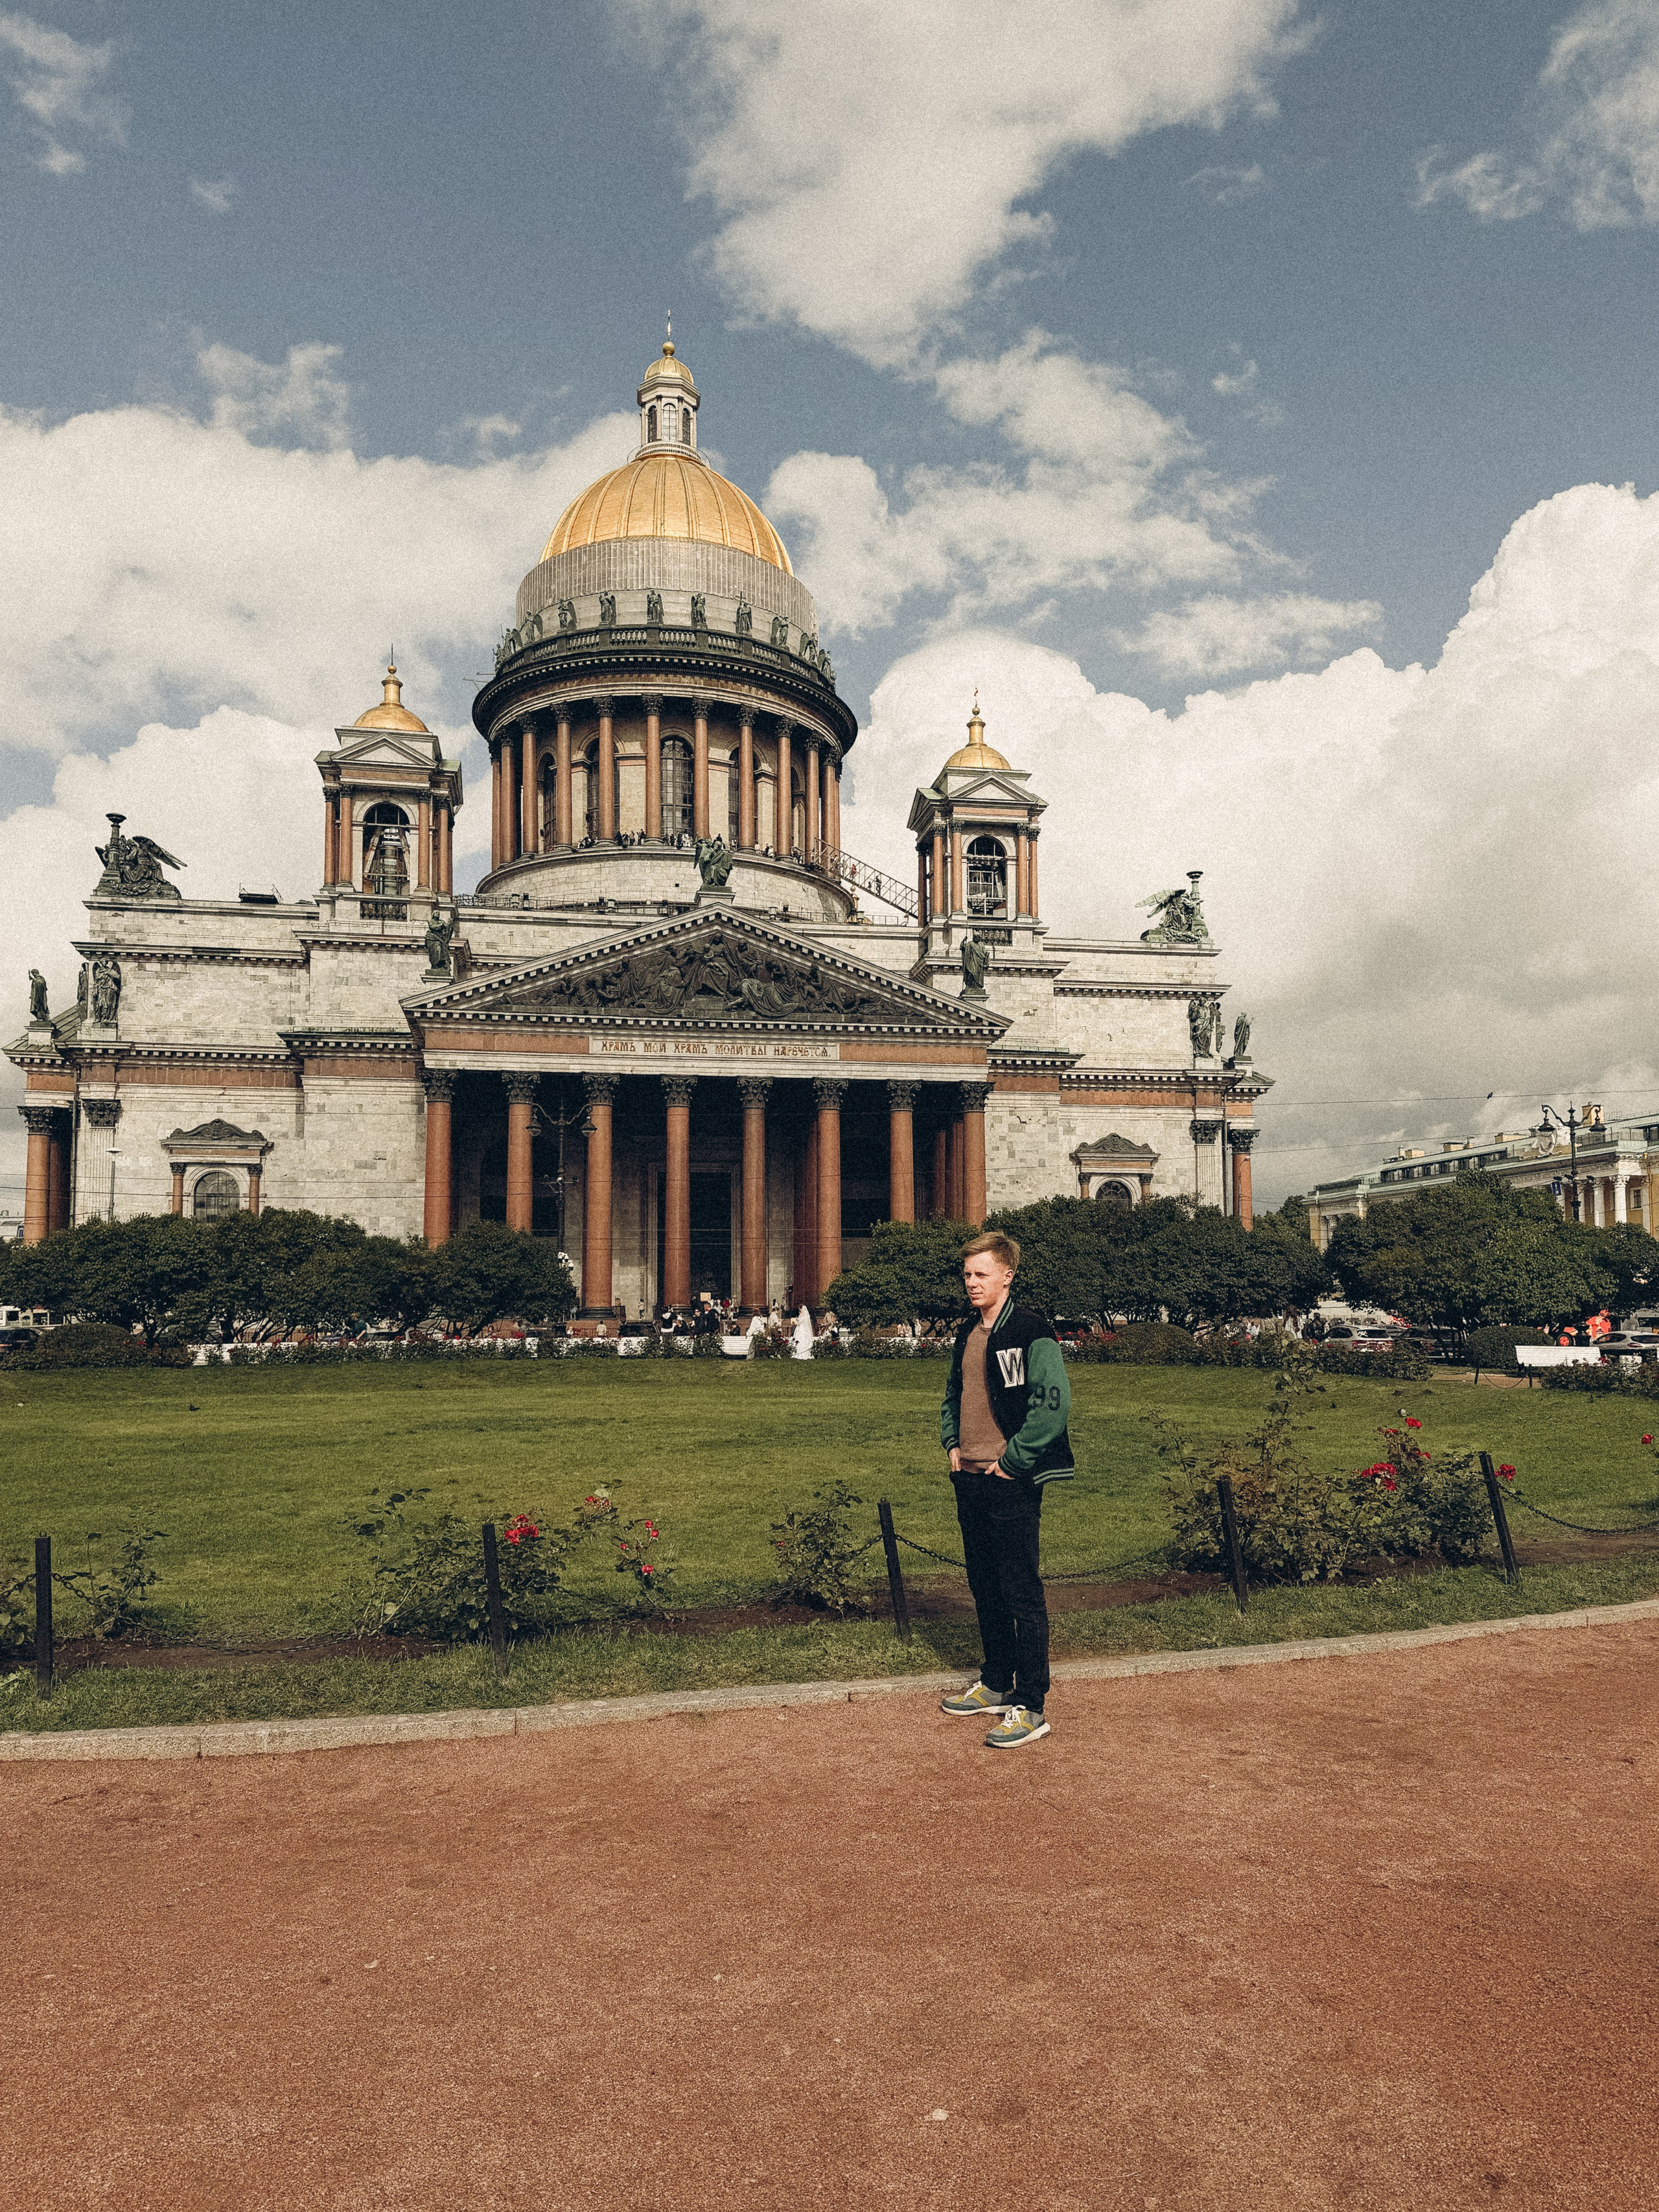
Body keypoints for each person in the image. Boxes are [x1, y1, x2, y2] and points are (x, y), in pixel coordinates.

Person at [937, 1231, 1073, 1749]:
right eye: (967, 1274)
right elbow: (954, 1393)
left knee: (1020, 1590)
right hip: (968, 1477)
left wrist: (1013, 1461)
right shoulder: (967, 1332)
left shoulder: (1032, 1330)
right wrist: (952, 1442)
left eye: (981, 1274)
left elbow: (1053, 1404)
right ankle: (996, 1681)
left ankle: (1031, 1703)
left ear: (1007, 1275)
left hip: (1010, 1480)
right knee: (984, 1584)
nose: (971, 1283)